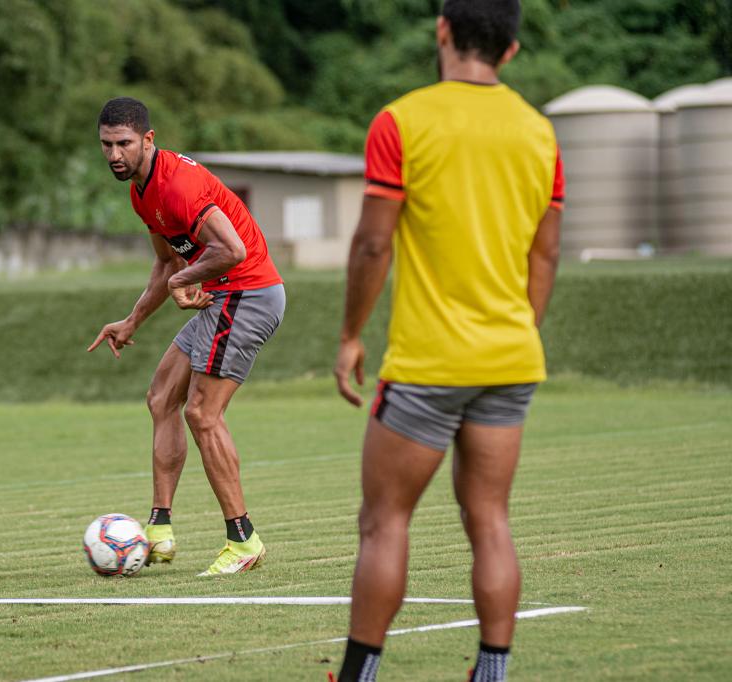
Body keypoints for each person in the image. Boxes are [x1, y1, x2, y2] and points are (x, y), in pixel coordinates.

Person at [331, 1, 564, 680]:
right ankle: (491, 673)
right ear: (512, 50)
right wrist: (517, 332)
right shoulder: (540, 132)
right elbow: (545, 257)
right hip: (511, 357)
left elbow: (374, 242)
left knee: (384, 522)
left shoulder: (402, 121)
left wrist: (350, 334)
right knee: (489, 518)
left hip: (428, 364)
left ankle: (357, 675)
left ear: (442, 31)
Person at [88, 97, 285, 576]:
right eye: (107, 145)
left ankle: (243, 540)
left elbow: (232, 249)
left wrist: (182, 281)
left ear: (148, 140)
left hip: (248, 294)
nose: (115, 154)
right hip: (223, 297)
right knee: (161, 397)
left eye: (125, 144)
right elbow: (166, 265)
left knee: (202, 412)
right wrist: (132, 321)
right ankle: (159, 531)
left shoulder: (179, 187)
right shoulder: (142, 192)